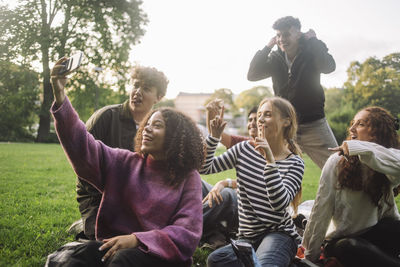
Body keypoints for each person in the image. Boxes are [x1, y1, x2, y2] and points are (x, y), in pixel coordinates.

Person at [48, 57, 204, 266]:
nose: (147, 128)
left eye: (156, 125)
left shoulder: (188, 178)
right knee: (75, 258)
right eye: (147, 124)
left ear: (175, 137)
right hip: (116, 242)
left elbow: (187, 232)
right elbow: (82, 145)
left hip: (157, 254)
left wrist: (136, 239)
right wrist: (60, 95)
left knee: (122, 259)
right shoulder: (126, 161)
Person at [201, 97, 304, 267]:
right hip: (247, 238)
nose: (260, 119)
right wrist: (214, 137)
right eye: (259, 115)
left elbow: (279, 204)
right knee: (216, 261)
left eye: (268, 115)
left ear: (286, 121)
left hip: (278, 234)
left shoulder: (295, 163)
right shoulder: (244, 149)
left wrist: (270, 162)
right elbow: (205, 168)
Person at [75, 65, 168, 240]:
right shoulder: (105, 117)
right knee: (106, 243)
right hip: (99, 199)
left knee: (150, 241)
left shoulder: (159, 129)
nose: (137, 92)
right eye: (135, 85)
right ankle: (86, 224)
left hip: (139, 201)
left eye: (146, 88)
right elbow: (81, 163)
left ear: (159, 97)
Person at [302, 106, 400, 267]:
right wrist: (309, 254)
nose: (352, 128)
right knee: (350, 246)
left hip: (375, 234)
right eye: (353, 123)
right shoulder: (336, 162)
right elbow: (320, 211)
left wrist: (360, 149)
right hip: (341, 242)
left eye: (361, 124)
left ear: (378, 132)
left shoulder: (385, 163)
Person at [247, 16, 337, 169]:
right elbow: (252, 75)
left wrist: (314, 41)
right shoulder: (275, 58)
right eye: (278, 35)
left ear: (298, 34)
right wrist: (267, 47)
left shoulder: (311, 53)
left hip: (313, 123)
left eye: (286, 34)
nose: (281, 39)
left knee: (338, 166)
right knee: (274, 169)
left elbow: (328, 66)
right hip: (284, 126)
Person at [201, 107, 258, 249]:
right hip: (235, 194)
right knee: (197, 181)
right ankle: (214, 233)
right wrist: (211, 117)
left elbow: (260, 186)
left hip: (248, 208)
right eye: (250, 120)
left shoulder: (279, 152)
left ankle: (179, 229)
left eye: (257, 119)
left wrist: (225, 183)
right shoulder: (245, 146)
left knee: (224, 195)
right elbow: (219, 136)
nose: (253, 123)